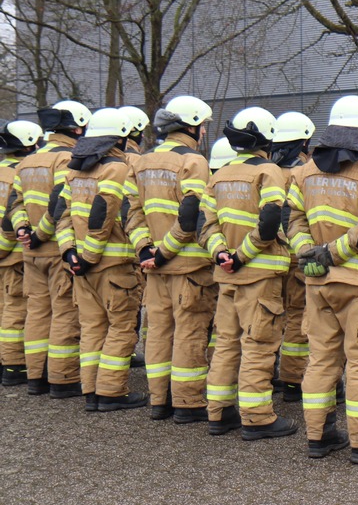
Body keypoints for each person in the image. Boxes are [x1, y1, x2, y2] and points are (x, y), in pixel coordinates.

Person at [288, 95, 358, 463]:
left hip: (319, 285)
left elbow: (295, 221)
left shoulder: (304, 172)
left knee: (321, 359)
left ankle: (319, 436)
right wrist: (331, 253)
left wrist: (310, 257)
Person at [200, 107, 296, 441]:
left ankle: (219, 413)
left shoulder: (220, 174)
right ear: (266, 138)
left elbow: (206, 224)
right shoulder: (269, 171)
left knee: (226, 343)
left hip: (226, 275)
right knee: (258, 344)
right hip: (258, 274)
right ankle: (256, 418)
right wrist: (242, 255)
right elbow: (270, 220)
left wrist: (221, 254)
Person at [125, 95, 216, 423]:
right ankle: (188, 403)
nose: (203, 131)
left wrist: (145, 251)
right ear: (191, 125)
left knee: (160, 331)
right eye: (202, 125)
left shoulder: (142, 161)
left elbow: (131, 211)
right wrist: (164, 252)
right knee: (189, 332)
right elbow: (191, 214)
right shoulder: (193, 161)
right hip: (188, 267)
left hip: (154, 269)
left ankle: (159, 400)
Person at [57, 108, 148, 412]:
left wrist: (70, 253)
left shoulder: (76, 170)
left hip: (81, 267)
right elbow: (103, 213)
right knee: (121, 327)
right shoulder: (116, 170)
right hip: (111, 267)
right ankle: (111, 393)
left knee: (93, 328)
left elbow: (64, 217)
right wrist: (89, 256)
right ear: (120, 138)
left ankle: (91, 391)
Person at [11, 100, 92, 399]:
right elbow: (60, 202)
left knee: (37, 312)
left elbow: (15, 204)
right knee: (64, 313)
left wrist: (23, 231)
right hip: (56, 249)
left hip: (30, 254)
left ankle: (35, 377)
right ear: (78, 126)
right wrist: (41, 234)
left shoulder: (28, 161)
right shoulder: (66, 158)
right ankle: (62, 379)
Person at [270, 111, 317, 400]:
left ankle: (268, 375)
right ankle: (291, 380)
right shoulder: (306, 173)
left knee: (274, 316)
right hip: (299, 257)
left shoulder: (265, 171)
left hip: (269, 258)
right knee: (299, 317)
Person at [0, 120, 41, 386]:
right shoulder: (20, 174)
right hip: (13, 256)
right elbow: (9, 221)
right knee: (16, 311)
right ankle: (14, 366)